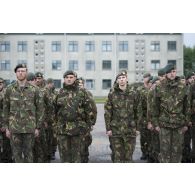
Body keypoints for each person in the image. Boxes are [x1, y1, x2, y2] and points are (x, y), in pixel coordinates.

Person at [3, 64, 44, 163]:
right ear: (16, 73)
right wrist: (7, 128)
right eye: (18, 71)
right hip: (14, 129)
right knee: (16, 155)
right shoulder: (9, 89)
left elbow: (40, 109)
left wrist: (38, 127)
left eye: (23, 71)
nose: (21, 73)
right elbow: (5, 109)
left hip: (30, 128)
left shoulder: (35, 90)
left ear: (26, 72)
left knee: (29, 154)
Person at [152, 64, 191, 163]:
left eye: (174, 71)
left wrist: (186, 123)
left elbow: (187, 106)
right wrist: (155, 124)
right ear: (166, 73)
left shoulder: (183, 87)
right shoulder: (159, 87)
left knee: (177, 152)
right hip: (164, 125)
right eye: (170, 72)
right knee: (164, 152)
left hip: (178, 125)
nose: (172, 74)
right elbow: (155, 107)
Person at [55, 70, 95, 163]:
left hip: (78, 130)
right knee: (64, 157)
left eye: (71, 77)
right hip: (62, 130)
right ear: (64, 79)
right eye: (67, 77)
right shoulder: (59, 93)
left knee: (77, 158)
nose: (69, 79)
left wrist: (88, 127)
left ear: (75, 79)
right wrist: (55, 127)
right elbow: (54, 111)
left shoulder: (82, 93)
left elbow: (89, 111)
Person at [104, 71, 137, 162]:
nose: (121, 80)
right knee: (117, 157)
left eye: (123, 77)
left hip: (130, 129)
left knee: (128, 157)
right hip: (116, 130)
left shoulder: (133, 93)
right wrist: (108, 129)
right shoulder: (112, 94)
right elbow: (108, 112)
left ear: (126, 79)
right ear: (117, 81)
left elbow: (138, 111)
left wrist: (137, 128)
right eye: (119, 78)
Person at [77, 77, 97, 163]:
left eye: (81, 84)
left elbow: (93, 109)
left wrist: (92, 123)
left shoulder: (88, 94)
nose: (79, 85)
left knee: (84, 144)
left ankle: (84, 160)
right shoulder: (73, 93)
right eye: (78, 84)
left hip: (85, 123)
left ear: (83, 84)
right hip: (75, 124)